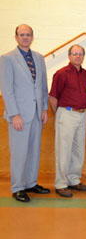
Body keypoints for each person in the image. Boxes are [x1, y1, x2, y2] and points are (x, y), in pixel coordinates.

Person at [0, 24, 50, 202]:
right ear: (16, 37)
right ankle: (17, 187)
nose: (25, 37)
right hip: (19, 115)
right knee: (19, 152)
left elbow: (43, 86)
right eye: (22, 35)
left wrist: (44, 107)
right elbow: (6, 89)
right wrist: (14, 114)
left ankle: (30, 183)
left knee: (34, 151)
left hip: (37, 113)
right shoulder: (7, 59)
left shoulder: (38, 58)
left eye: (28, 34)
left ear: (32, 37)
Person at [49, 44, 86, 198]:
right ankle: (61, 183)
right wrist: (59, 115)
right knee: (63, 150)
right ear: (69, 56)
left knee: (78, 150)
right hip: (66, 113)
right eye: (75, 53)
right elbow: (53, 98)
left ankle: (74, 179)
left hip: (82, 114)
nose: (78, 56)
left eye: (81, 54)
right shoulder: (61, 74)